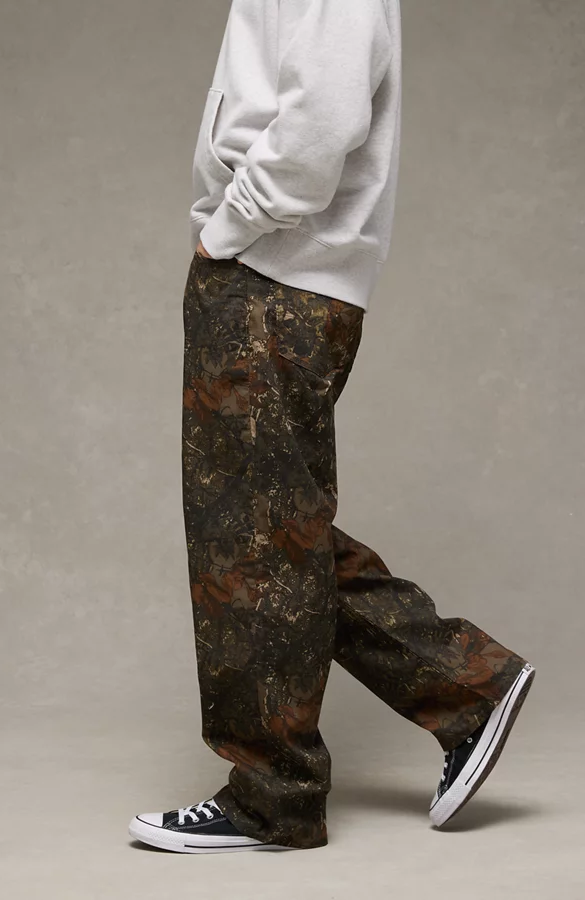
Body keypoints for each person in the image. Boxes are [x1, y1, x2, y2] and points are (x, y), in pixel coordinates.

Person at [129, 0, 534, 854]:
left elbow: (318, 127)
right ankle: (468, 687)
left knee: (253, 539)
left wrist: (227, 232)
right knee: (271, 530)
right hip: (275, 274)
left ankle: (274, 795)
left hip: (272, 274)